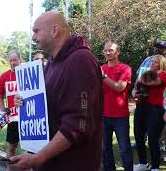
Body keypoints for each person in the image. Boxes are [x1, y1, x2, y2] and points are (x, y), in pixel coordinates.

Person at [10, 11, 103, 171]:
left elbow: (78, 124)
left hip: (73, 164)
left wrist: (38, 158)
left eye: (36, 31)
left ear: (55, 30)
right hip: (51, 163)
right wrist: (26, 100)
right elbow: (49, 104)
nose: (33, 37)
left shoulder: (80, 60)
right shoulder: (52, 64)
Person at [101, 41, 133, 171]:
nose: (108, 52)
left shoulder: (125, 68)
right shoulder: (102, 68)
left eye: (111, 50)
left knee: (124, 148)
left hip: (120, 116)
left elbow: (119, 87)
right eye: (106, 50)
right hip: (103, 115)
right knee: (105, 148)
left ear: (118, 52)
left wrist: (103, 77)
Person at [132, 55, 166, 171]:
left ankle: (155, 167)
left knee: (152, 138)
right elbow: (135, 88)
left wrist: (140, 80)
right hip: (141, 107)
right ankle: (143, 163)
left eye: (156, 62)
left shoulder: (163, 74)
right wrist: (134, 94)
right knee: (138, 136)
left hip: (155, 110)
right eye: (152, 61)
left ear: (161, 64)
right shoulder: (145, 73)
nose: (152, 63)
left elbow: (152, 83)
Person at [0, 50, 22, 168]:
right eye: (10, 61)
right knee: (11, 147)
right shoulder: (4, 76)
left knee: (31, 149)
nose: (12, 63)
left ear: (20, 60)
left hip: (29, 116)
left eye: (14, 60)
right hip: (13, 118)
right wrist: (4, 112)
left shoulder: (27, 72)